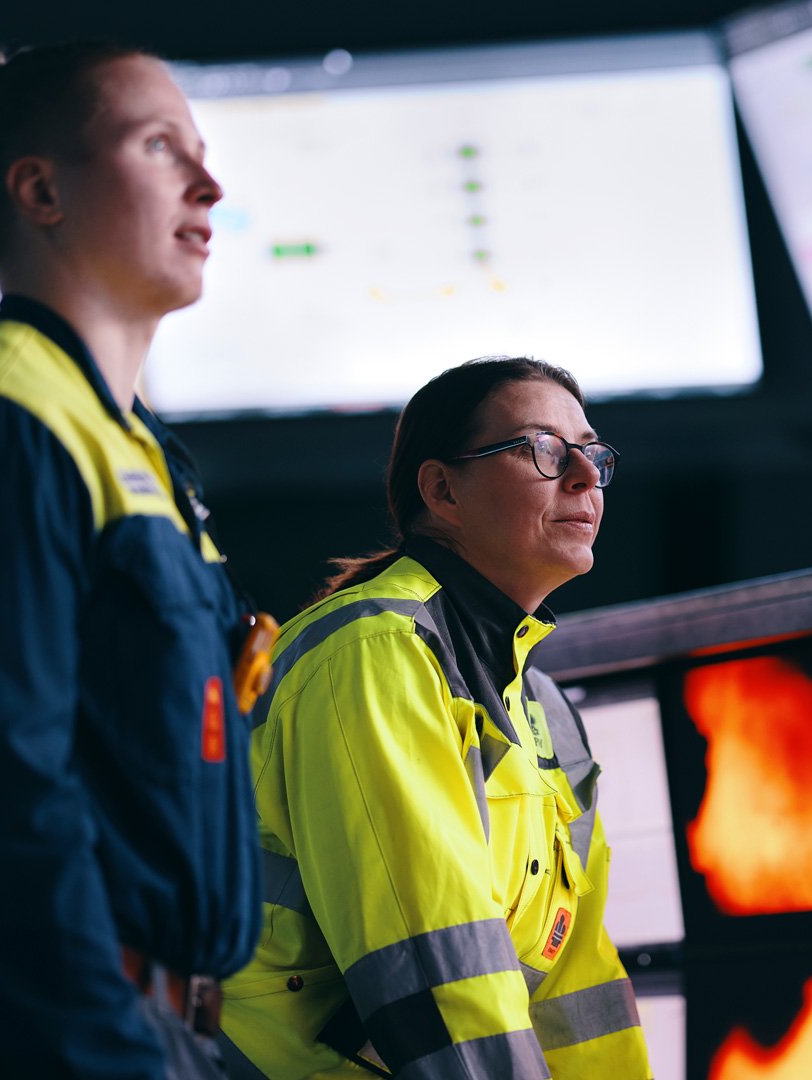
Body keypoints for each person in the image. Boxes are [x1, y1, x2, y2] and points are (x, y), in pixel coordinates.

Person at [0, 40, 262, 1078]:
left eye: (201, 151)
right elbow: (5, 818)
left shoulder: (137, 450)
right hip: (38, 1039)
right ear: (40, 190)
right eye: (161, 147)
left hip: (148, 1031)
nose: (210, 183)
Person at [218, 358, 650, 1079]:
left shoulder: (545, 709)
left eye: (592, 453)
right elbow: (437, 976)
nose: (582, 476)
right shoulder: (376, 653)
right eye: (542, 448)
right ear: (442, 490)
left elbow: (577, 985)